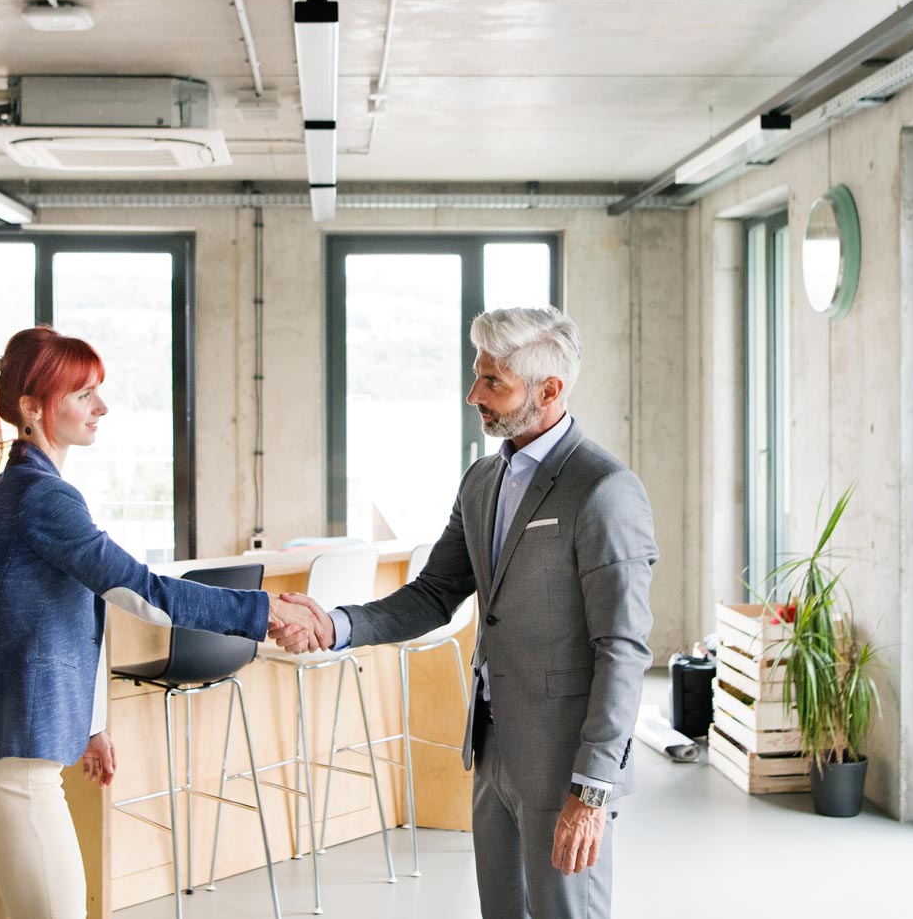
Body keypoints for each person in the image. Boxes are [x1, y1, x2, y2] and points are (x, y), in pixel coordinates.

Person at [275, 306, 657, 919]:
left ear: (549, 390)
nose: (473, 394)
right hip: (491, 747)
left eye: (492, 382)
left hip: (565, 764)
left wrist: (591, 789)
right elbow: (433, 594)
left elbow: (623, 648)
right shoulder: (482, 480)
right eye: (477, 375)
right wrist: (336, 624)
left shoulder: (603, 489)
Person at [0, 325, 323, 918]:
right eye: (83, 394)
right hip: (12, 763)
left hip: (1, 755)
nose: (101, 407)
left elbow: (62, 620)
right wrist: (264, 609)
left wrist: (91, 725)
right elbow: (139, 591)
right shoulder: (41, 497)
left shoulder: (26, 488)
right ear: (32, 408)